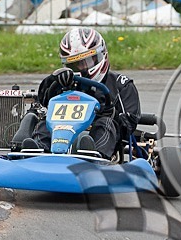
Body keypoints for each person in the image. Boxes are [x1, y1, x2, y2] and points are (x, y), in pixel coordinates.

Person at [22, 27, 141, 160]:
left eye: (87, 62)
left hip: (98, 136)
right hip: (62, 129)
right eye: (75, 65)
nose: (82, 68)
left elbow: (128, 126)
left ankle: (92, 154)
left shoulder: (121, 85)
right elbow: (43, 100)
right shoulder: (66, 82)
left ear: (102, 54)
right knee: (46, 122)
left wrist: (110, 112)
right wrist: (54, 80)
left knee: (105, 123)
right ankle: (37, 152)